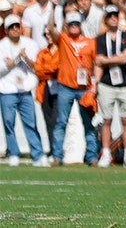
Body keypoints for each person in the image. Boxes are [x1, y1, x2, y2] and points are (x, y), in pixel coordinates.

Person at [47, 11, 99, 166]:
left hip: (85, 88)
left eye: (77, 23)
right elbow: (50, 29)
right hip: (66, 87)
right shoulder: (63, 39)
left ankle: (92, 157)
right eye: (71, 24)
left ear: (80, 25)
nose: (74, 26)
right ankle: (57, 156)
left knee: (88, 123)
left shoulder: (91, 42)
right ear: (67, 26)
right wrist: (53, 8)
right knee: (61, 122)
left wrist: (94, 84)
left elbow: (96, 64)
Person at [0, 15, 47, 167]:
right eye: (12, 27)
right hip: (7, 90)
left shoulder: (30, 44)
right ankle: (13, 153)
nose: (15, 29)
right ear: (6, 30)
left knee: (31, 123)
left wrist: (25, 58)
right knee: (8, 123)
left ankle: (38, 155)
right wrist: (14, 60)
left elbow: (36, 67)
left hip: (25, 90)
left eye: (17, 26)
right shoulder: (2, 45)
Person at [94, 5, 126, 168]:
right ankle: (106, 152)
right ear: (105, 18)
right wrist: (95, 83)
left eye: (115, 15)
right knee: (107, 120)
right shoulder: (100, 39)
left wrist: (107, 60)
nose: (113, 18)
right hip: (106, 83)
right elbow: (98, 62)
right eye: (110, 16)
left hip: (124, 83)